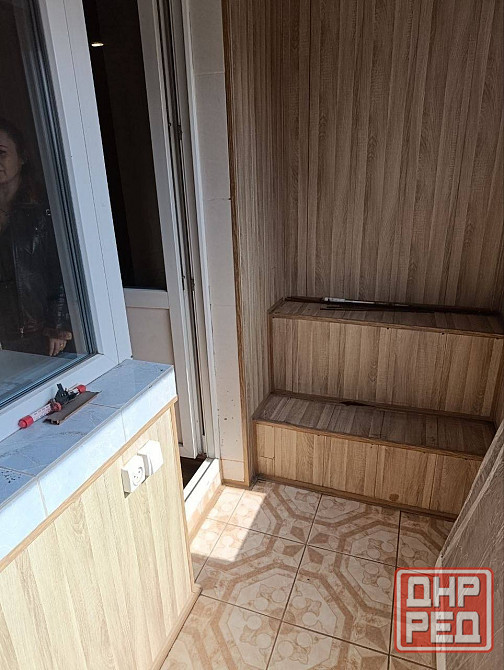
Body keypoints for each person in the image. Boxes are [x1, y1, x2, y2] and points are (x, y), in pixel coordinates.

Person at [0, 117, 72, 356]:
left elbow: (62, 269)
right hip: (4, 335)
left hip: (41, 333)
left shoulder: (43, 208)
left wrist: (57, 325)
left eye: (1, 153)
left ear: (21, 157)